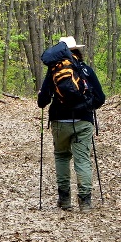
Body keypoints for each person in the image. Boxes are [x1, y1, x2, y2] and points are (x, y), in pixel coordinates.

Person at [37, 36, 105, 212]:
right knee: (82, 159)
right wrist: (88, 107)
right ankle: (85, 202)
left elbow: (42, 101)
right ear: (77, 51)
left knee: (61, 156)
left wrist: (43, 97)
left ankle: (65, 199)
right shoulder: (86, 70)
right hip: (83, 121)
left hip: (60, 121)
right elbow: (100, 98)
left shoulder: (53, 71)